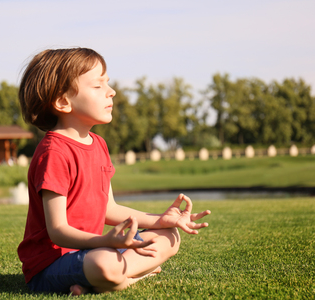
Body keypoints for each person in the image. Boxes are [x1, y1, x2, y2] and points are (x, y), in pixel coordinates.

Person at [17, 47, 211, 296]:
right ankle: (127, 277)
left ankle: (111, 278)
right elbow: (58, 231)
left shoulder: (99, 145)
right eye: (98, 86)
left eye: (107, 84)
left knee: (169, 237)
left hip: (95, 251)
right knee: (104, 264)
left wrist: (161, 220)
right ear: (63, 101)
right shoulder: (53, 152)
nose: (112, 92)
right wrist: (105, 242)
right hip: (51, 266)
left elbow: (110, 209)